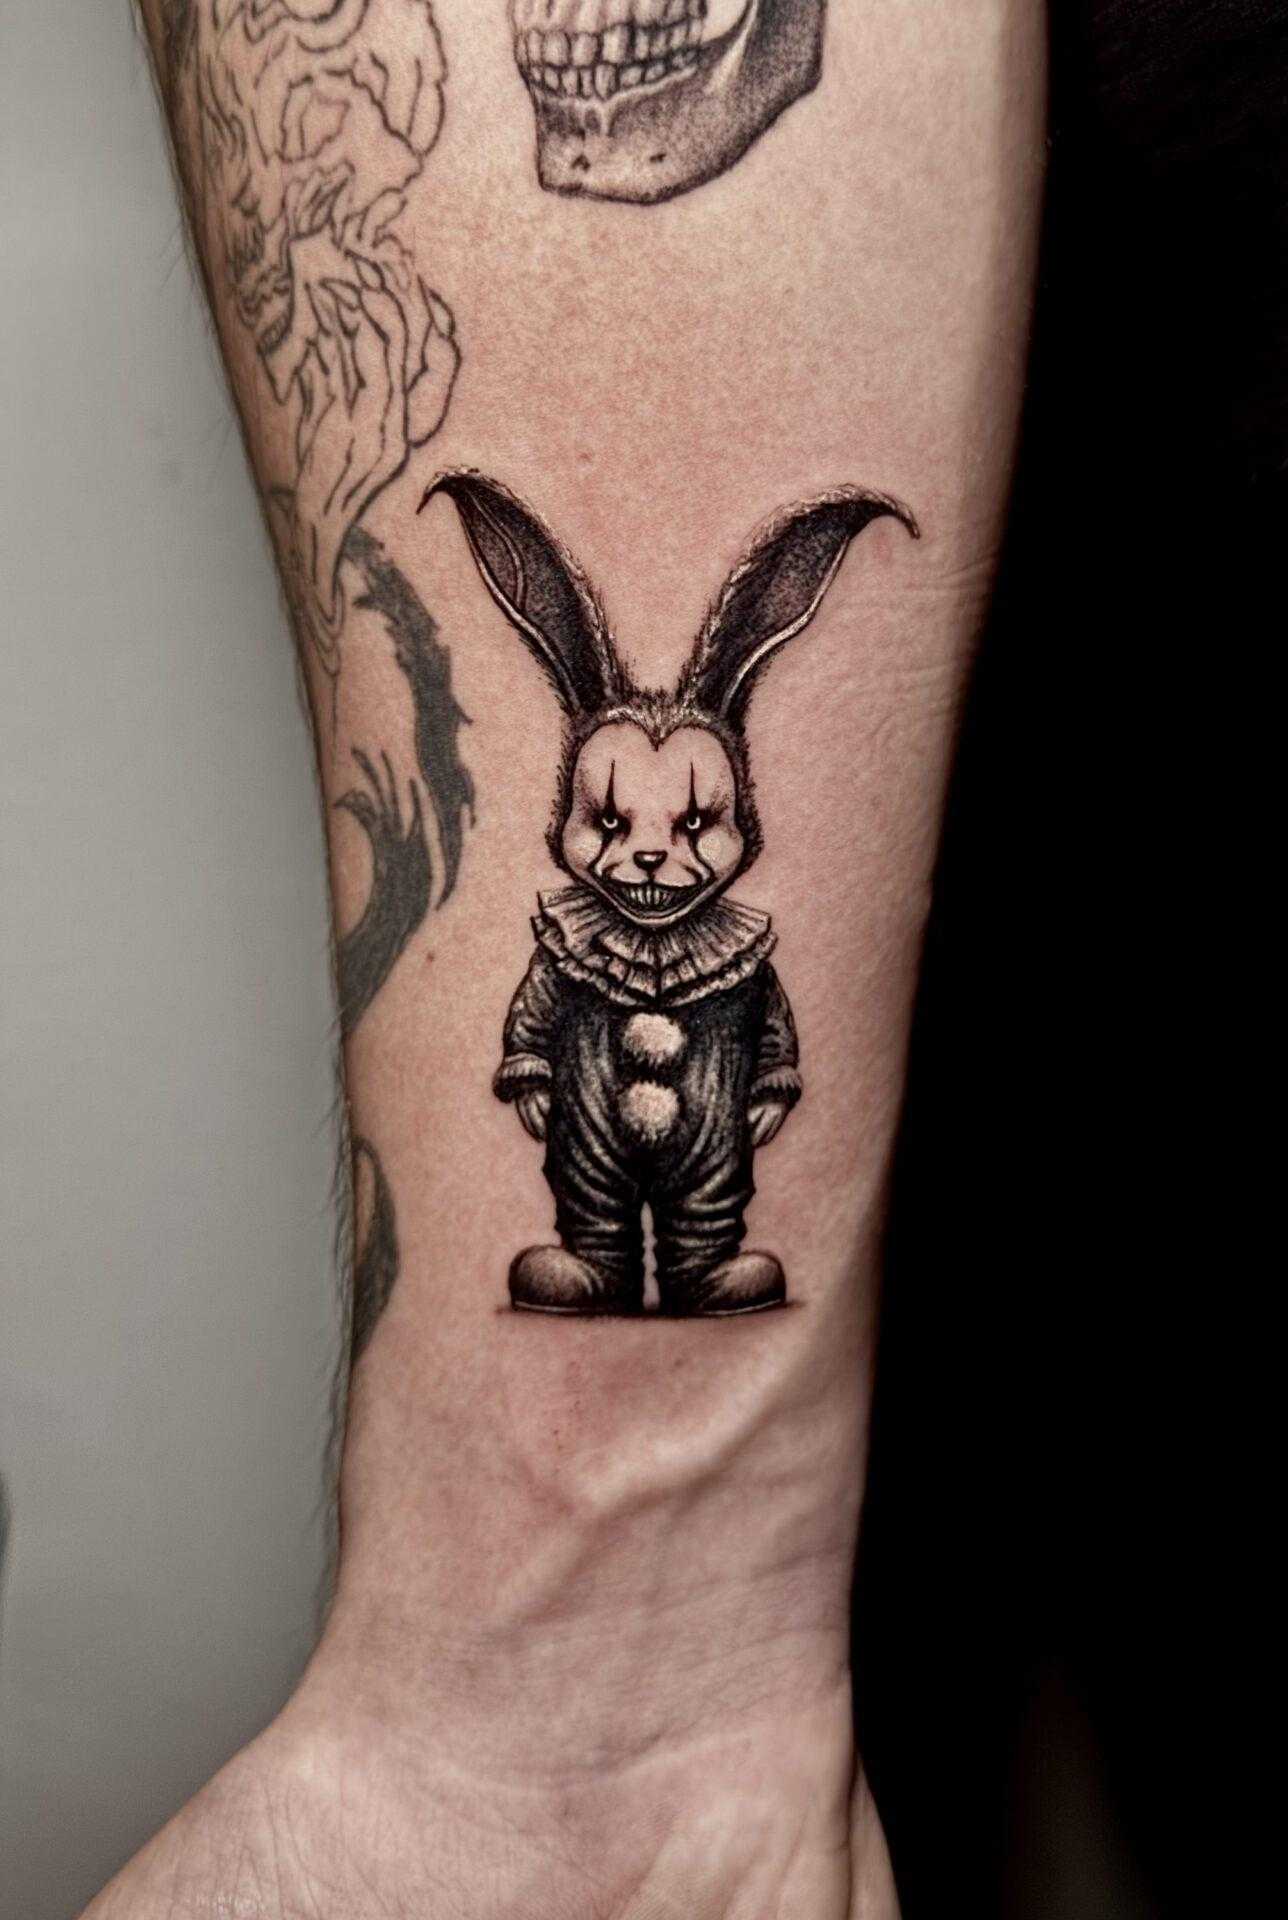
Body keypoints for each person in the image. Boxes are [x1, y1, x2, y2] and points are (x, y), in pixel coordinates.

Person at [84, 3, 1043, 1913]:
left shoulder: (726, 928)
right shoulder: (581, 927)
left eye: (689, 828)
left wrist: (601, 1663)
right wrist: (584, 1673)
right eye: (615, 825)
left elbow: (762, 1059)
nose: (653, 858)